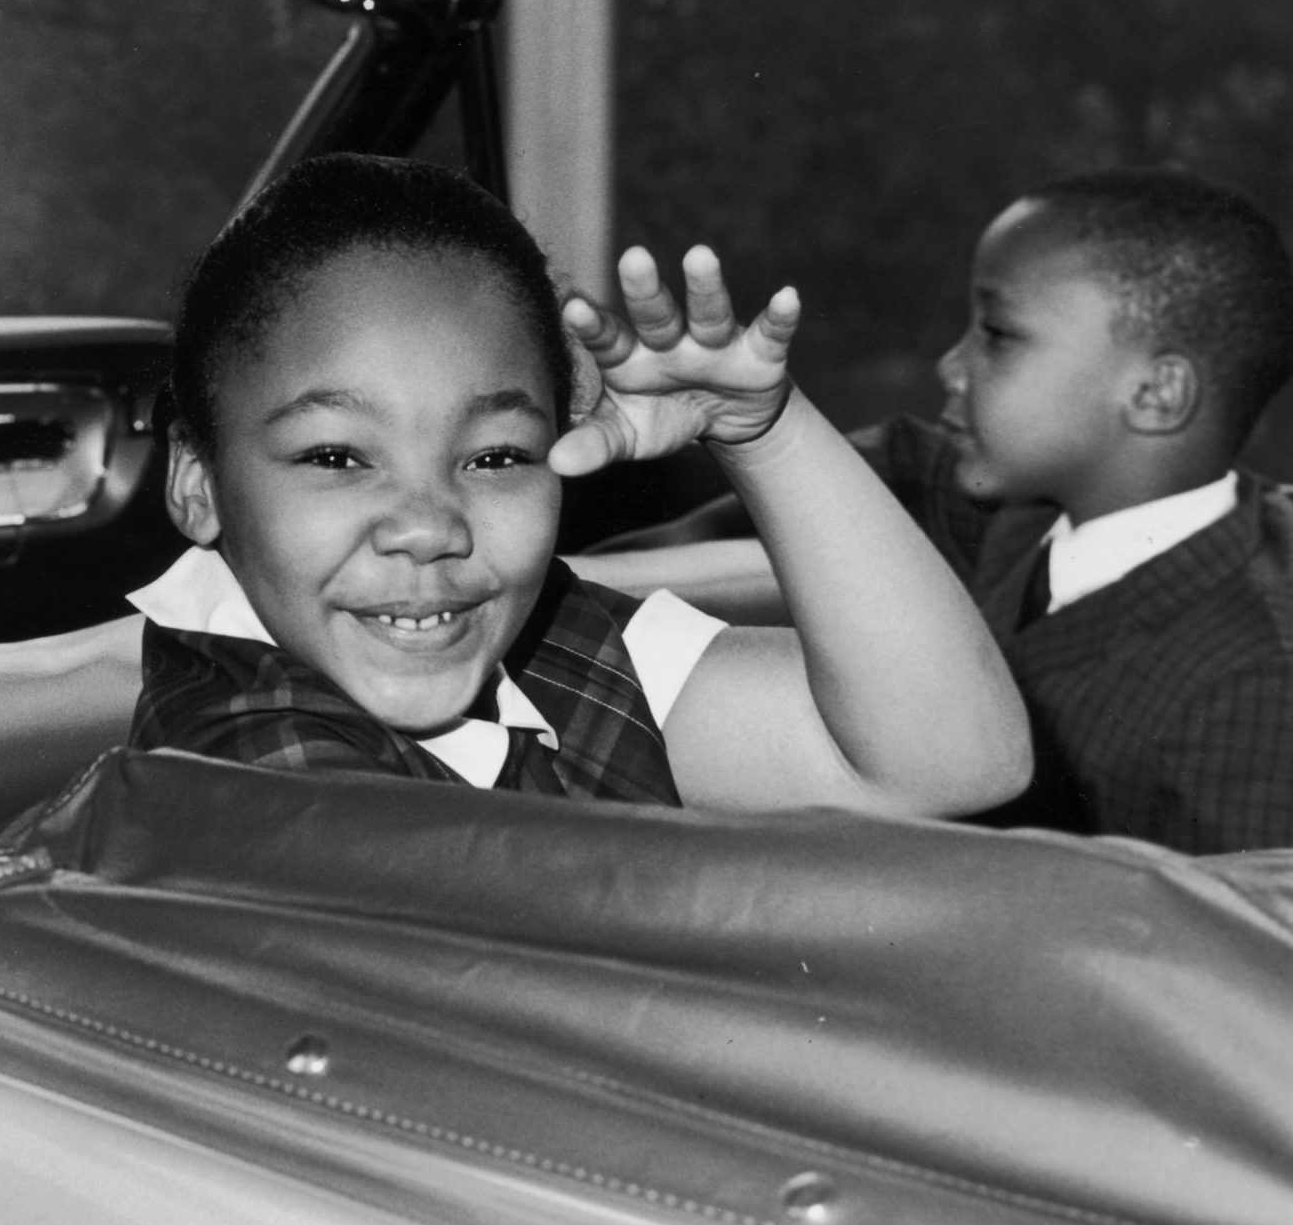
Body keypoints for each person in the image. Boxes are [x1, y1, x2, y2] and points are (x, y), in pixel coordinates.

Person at [128, 154, 1030, 816]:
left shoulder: (548, 641)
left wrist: (767, 436)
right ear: (198, 483)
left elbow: (956, 761)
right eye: (336, 458)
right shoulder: (243, 771)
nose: (429, 526)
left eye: (493, 458)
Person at [582, 168, 1293, 852]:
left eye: (998, 335)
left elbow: (1244, 949)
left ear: (1155, 394)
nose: (950, 366)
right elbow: (884, 474)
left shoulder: (1252, 685)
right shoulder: (1020, 513)